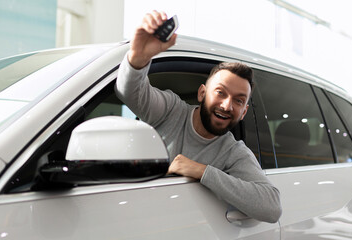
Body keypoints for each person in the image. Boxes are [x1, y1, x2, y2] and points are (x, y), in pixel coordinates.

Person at [115, 10, 281, 223]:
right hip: (134, 216)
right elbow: (130, 92)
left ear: (244, 112)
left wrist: (202, 171)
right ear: (202, 93)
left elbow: (272, 207)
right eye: (220, 92)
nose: (227, 105)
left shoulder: (233, 152)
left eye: (239, 100)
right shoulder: (171, 110)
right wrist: (138, 58)